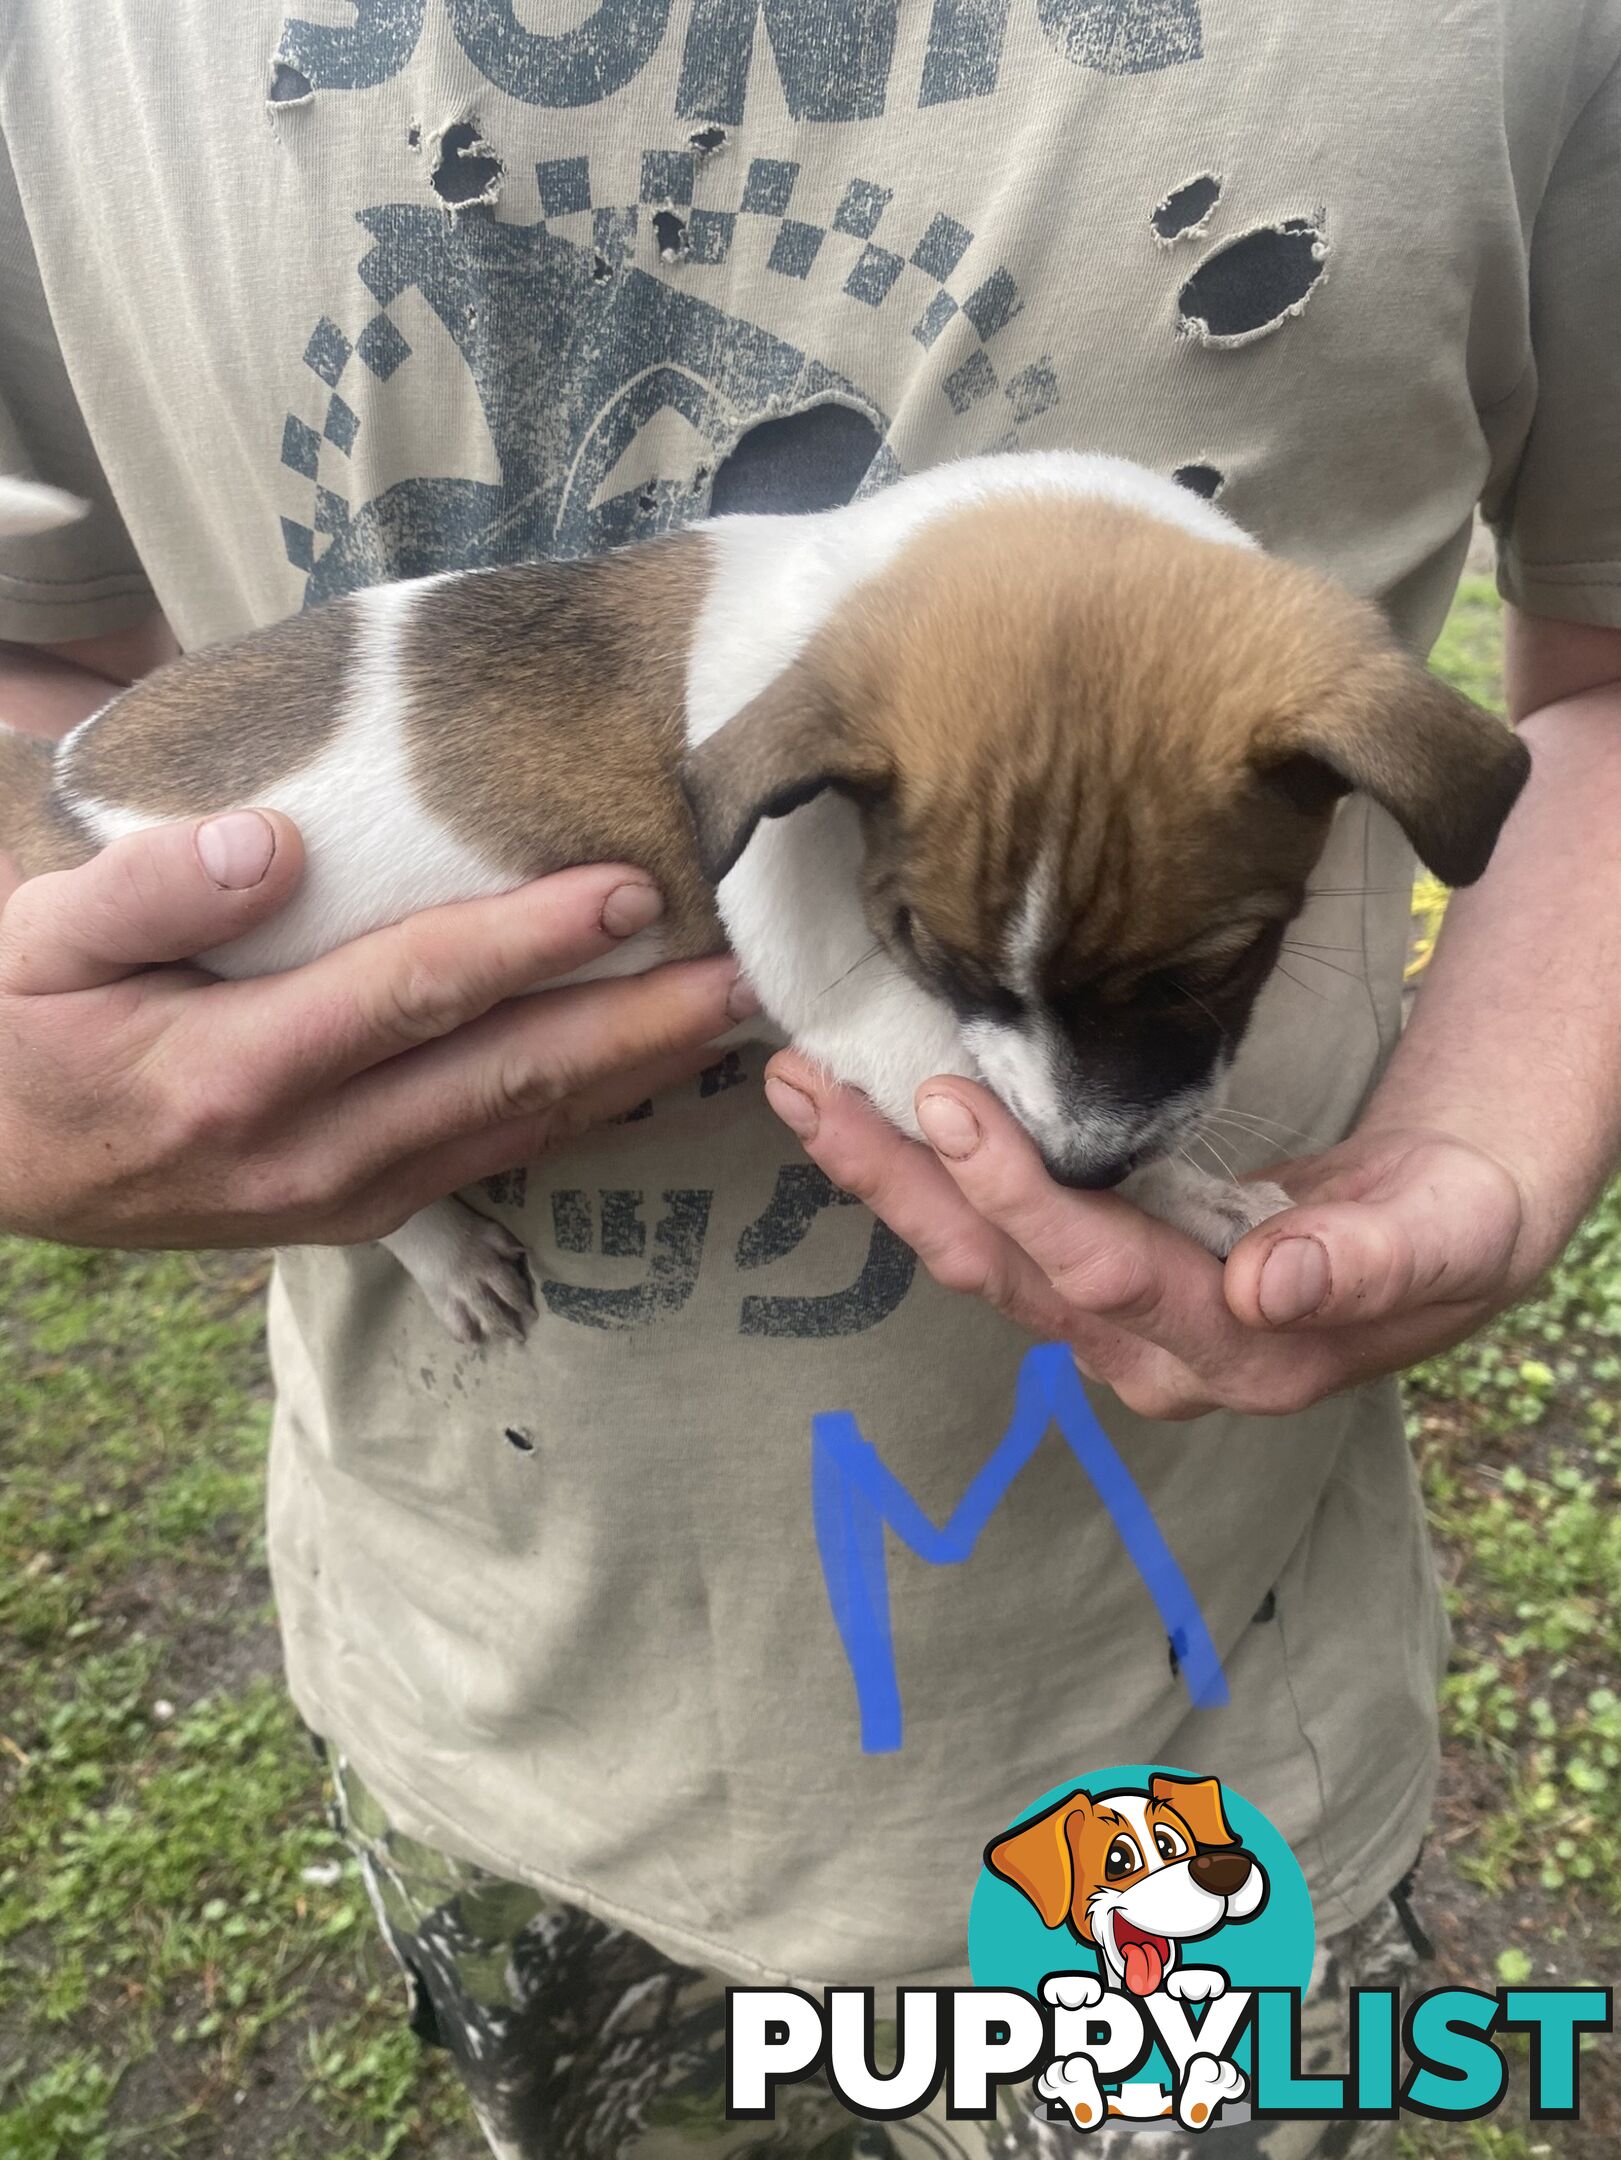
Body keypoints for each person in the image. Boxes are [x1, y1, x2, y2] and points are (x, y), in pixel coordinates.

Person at [2, 4, 1618, 2154]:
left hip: (1157, 1737)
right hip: (498, 1676)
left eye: (1168, 997)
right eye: (967, 975)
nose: (1067, 1120)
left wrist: (1488, 1119)